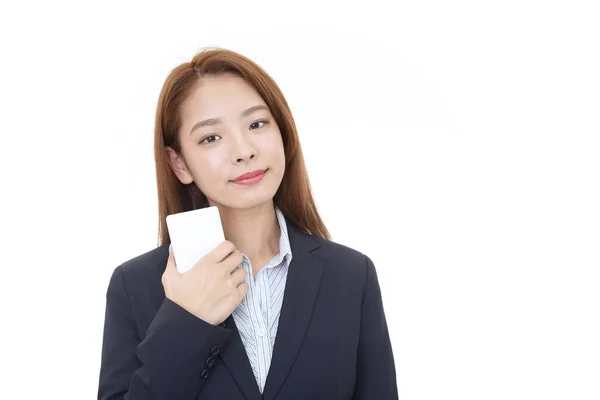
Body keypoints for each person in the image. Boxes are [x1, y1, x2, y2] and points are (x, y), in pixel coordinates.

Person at [98, 47, 398, 400]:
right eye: (211, 137)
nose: (243, 150)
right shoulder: (135, 287)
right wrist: (186, 319)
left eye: (257, 124)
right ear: (179, 163)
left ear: (283, 134)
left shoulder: (351, 275)